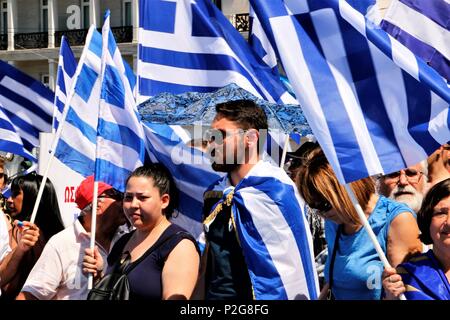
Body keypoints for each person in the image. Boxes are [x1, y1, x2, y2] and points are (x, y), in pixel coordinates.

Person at [202, 99, 318, 300]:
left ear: (251, 138)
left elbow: (290, 270)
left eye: (220, 136)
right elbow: (209, 262)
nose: (212, 144)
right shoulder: (215, 194)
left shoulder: (277, 191)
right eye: (210, 136)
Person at [296, 148, 423, 300]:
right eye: (313, 206)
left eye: (324, 204)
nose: (321, 213)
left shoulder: (397, 220)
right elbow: (333, 284)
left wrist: (392, 294)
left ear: (344, 192)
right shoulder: (335, 221)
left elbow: (409, 293)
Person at [83, 164, 200, 300]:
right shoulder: (122, 241)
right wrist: (101, 278)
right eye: (128, 197)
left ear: (164, 201)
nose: (133, 204)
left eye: (142, 198)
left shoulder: (180, 246)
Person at [16, 176, 129, 300]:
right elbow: (30, 295)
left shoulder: (128, 240)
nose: (126, 202)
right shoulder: (62, 243)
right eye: (119, 196)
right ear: (97, 204)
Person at [382, 178, 450, 300]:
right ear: (427, 220)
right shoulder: (405, 277)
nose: (449, 222)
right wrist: (391, 298)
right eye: (441, 213)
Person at [0, 172, 64, 299]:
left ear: (33, 197)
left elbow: (7, 285)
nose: (9, 200)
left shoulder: (21, 232)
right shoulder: (18, 231)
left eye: (15, 194)